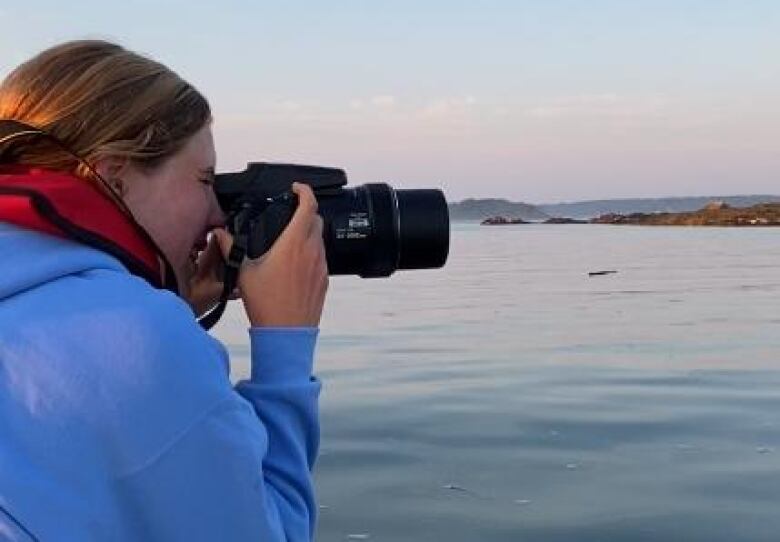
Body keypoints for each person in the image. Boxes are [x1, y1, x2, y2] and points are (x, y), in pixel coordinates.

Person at [0, 40, 328, 541]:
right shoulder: (138, 340)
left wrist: (166, 300)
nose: (218, 214)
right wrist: (286, 339)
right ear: (114, 176)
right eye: (204, 181)